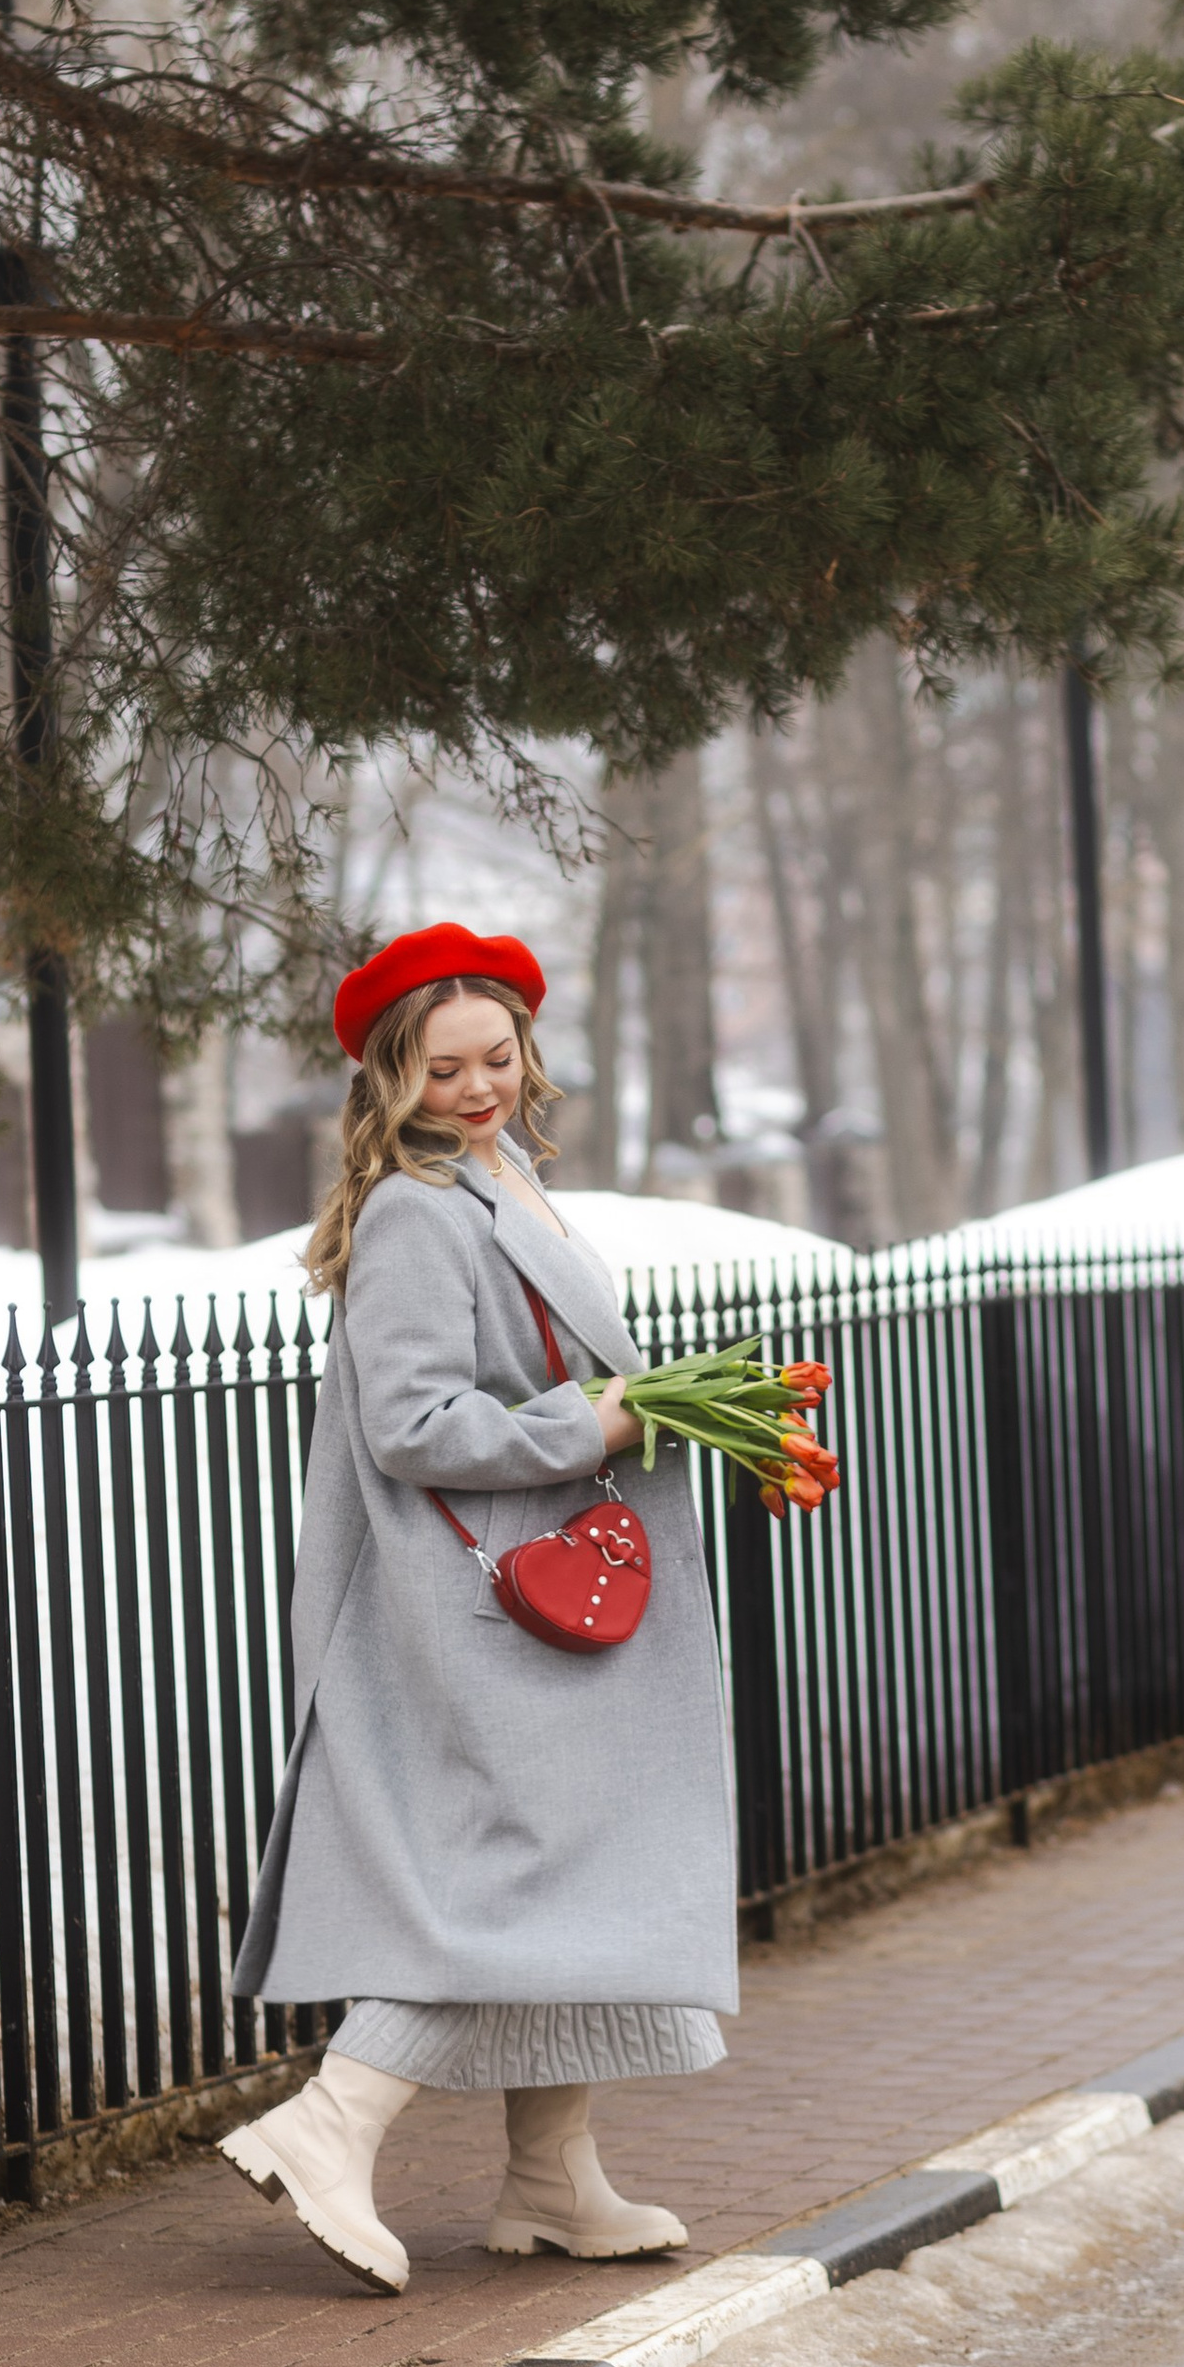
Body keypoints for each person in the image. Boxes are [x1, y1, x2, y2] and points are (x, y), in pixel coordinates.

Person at [222, 922, 737, 2292]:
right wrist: (603, 1420)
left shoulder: (494, 1176)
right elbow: (411, 1424)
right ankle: (328, 2126)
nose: (476, 1087)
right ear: (395, 1078)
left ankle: (550, 2180)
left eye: (496, 1059)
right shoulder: (413, 1209)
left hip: (533, 1597)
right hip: (487, 1606)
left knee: (573, 1868)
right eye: (443, 1069)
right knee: (509, 1880)